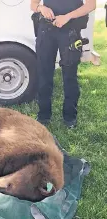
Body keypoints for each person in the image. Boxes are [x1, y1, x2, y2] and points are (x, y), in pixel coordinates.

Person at [30, 0, 96, 128]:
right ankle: (43, 116)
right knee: (44, 74)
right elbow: (33, 4)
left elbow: (91, 5)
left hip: (70, 31)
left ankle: (69, 117)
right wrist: (41, 8)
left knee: (69, 76)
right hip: (46, 31)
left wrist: (67, 16)